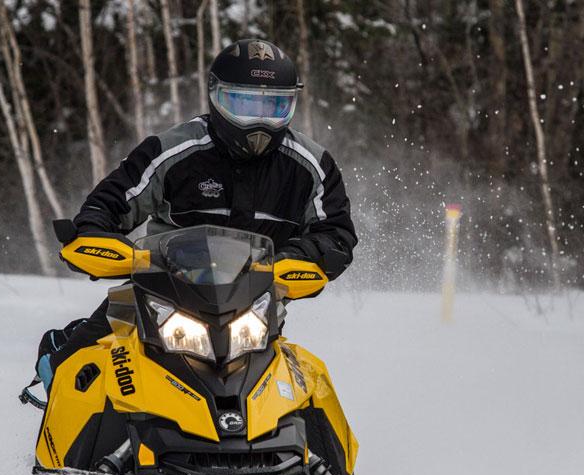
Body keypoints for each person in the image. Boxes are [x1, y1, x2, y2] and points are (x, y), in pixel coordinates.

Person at [37, 38, 357, 386]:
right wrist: (95, 234)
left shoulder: (312, 165)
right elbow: (111, 199)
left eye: (275, 107)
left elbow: (336, 233)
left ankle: (322, 441)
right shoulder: (174, 150)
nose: (259, 122)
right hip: (158, 294)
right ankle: (65, 395)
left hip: (255, 309)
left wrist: (297, 257)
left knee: (308, 388)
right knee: (79, 364)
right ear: (216, 97)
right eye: (244, 104)